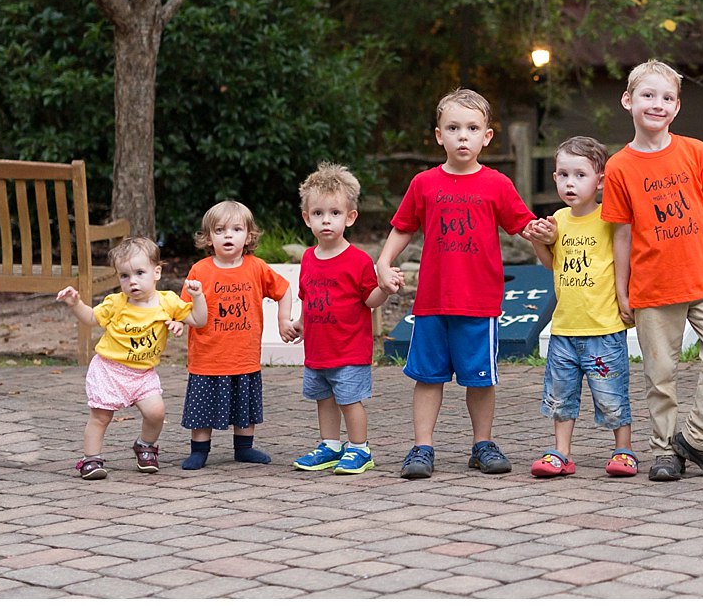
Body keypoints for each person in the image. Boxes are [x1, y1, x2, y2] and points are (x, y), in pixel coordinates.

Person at [376, 88, 554, 480]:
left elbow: (522, 224)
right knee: (427, 377)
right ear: (438, 135)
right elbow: (402, 227)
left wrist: (542, 231)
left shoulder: (497, 184)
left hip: (479, 303)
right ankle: (422, 447)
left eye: (472, 128)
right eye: (453, 128)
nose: (462, 136)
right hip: (432, 302)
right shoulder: (423, 183)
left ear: (486, 136)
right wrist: (383, 263)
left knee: (481, 378)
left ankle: (482, 444)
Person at [601, 59, 703, 482]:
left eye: (667, 98)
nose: (657, 104)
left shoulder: (694, 151)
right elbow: (622, 234)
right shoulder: (620, 167)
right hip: (653, 285)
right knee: (660, 375)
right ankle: (665, 451)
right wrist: (622, 289)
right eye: (648, 95)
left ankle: (699, 439)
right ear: (628, 100)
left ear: (677, 106)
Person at [526, 136, 638, 479]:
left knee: (611, 394)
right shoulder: (559, 219)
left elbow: (624, 259)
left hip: (603, 327)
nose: (569, 183)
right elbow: (551, 264)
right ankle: (561, 452)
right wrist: (538, 242)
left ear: (601, 180)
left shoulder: (610, 217)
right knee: (561, 396)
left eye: (580, 175)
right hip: (565, 328)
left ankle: (624, 449)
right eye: (562, 175)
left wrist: (625, 298)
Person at [56, 237, 208, 479]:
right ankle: (91, 459)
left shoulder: (168, 301)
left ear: (156, 272)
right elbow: (91, 319)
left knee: (156, 412)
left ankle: (145, 446)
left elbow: (199, 321)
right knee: (101, 416)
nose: (132, 281)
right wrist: (76, 304)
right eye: (124, 276)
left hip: (143, 373)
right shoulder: (116, 303)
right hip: (110, 370)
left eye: (139, 272)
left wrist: (198, 297)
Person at [289, 162, 403, 476]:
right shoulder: (309, 258)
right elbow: (306, 296)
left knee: (350, 401)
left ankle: (359, 448)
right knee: (323, 399)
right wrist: (300, 322)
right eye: (318, 214)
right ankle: (329, 445)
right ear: (306, 218)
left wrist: (385, 288)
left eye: (335, 213)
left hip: (349, 350)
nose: (326, 220)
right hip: (318, 350)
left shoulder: (358, 260)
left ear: (350, 217)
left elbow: (370, 300)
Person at [181, 200, 296, 470]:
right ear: (209, 238)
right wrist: (177, 321)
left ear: (249, 236)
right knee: (202, 407)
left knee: (244, 405)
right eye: (220, 230)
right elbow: (183, 307)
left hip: (243, 356)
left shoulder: (256, 267)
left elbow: (284, 289)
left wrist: (283, 319)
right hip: (208, 356)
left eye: (236, 229)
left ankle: (244, 448)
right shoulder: (200, 270)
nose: (228, 235)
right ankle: (199, 450)